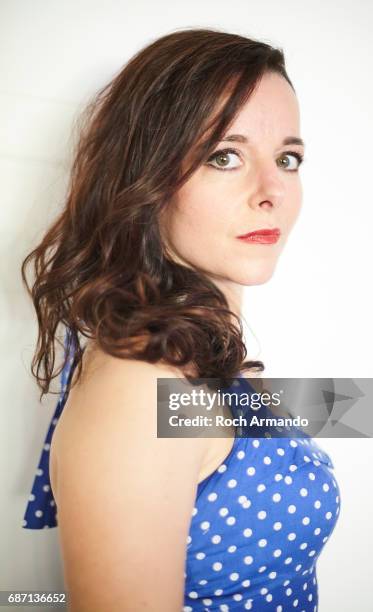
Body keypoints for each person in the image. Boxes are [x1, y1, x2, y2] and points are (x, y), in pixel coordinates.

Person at [21, 28, 341, 612]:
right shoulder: (144, 388)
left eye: (288, 159)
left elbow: (310, 417)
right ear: (149, 176)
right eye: (225, 156)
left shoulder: (204, 353)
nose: (272, 190)